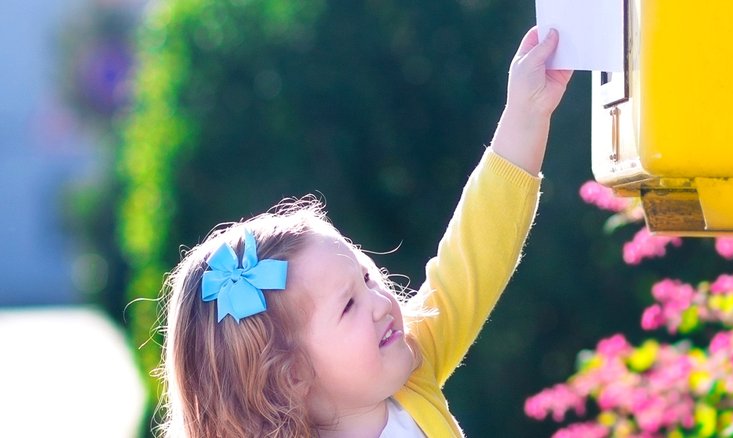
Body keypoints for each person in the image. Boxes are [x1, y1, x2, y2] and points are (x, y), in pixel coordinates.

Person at [156, 27, 572, 437]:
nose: (380, 302)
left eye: (368, 277)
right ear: (293, 376)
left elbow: (475, 253)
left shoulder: (410, 364)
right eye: (349, 306)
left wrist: (526, 112)